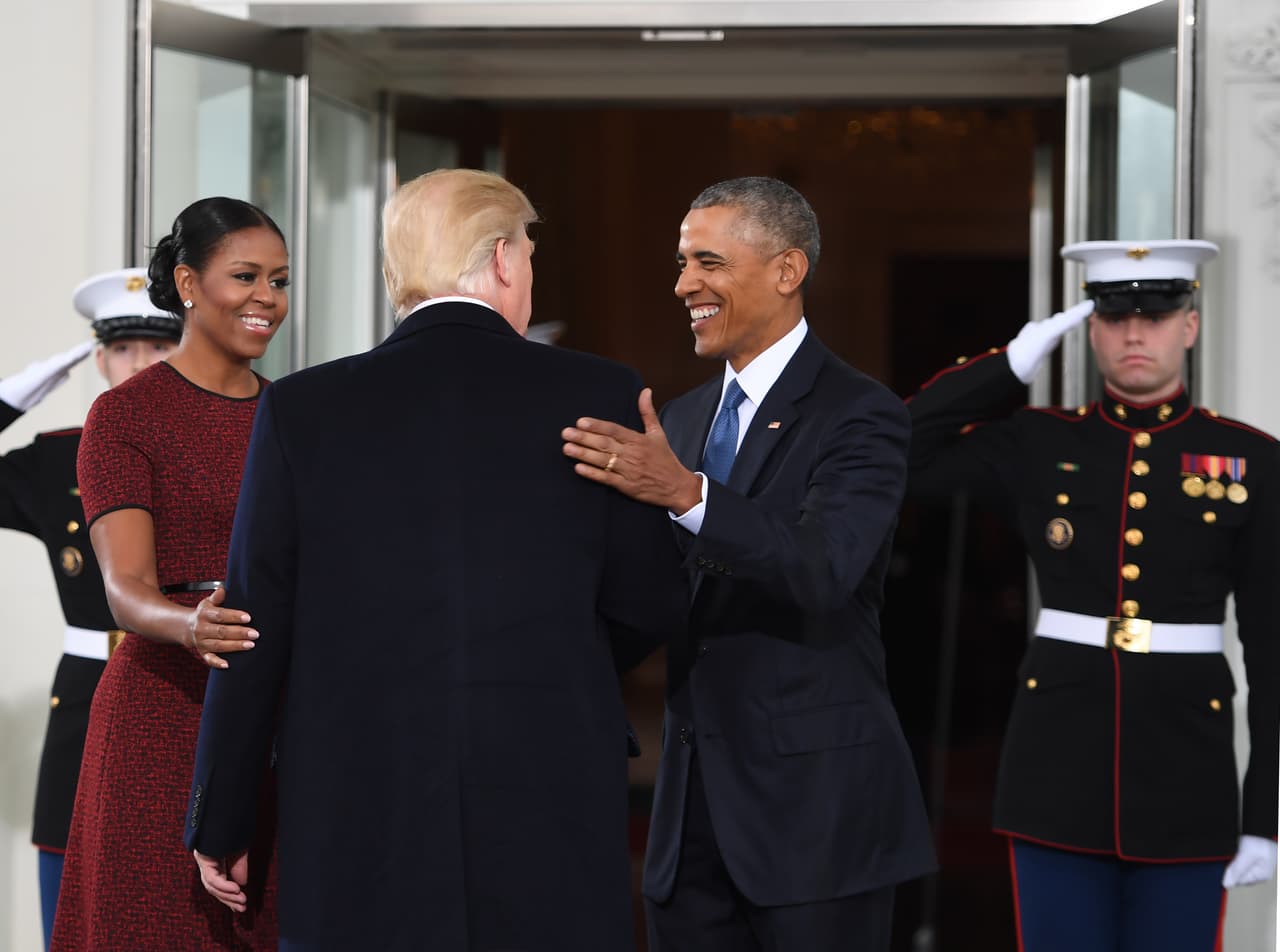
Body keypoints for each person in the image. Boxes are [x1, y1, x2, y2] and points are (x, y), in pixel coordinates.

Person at [183, 168, 688, 952]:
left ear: (398, 273)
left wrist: (224, 811)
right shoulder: (601, 392)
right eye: (527, 250)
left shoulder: (302, 407)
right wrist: (552, 659)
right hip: (545, 766)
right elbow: (650, 600)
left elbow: (253, 621)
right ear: (502, 260)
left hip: (356, 774)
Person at [561, 176, 935, 952]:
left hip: (816, 826)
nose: (683, 284)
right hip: (688, 829)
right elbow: (644, 596)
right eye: (680, 262)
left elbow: (824, 569)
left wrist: (687, 493)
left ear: (787, 271)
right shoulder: (681, 417)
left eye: (708, 262)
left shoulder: (860, 413)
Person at [905, 239, 1278, 951]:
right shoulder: (1038, 441)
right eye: (1114, 317)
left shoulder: (1252, 460)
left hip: (1188, 779)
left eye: (1159, 315)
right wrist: (1007, 366)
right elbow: (893, 452)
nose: (1136, 333)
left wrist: (1261, 815)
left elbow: (1271, 650)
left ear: (1190, 326)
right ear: (1092, 327)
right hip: (1054, 775)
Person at [50, 197, 289, 951]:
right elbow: (124, 590)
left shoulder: (300, 416)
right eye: (245, 276)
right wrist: (190, 624)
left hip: (278, 718)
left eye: (280, 281)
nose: (268, 299)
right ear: (187, 282)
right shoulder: (126, 416)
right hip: (161, 718)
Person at [0, 268, 182, 949]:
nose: (141, 365)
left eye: (160, 348)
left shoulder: (223, 446)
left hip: (187, 687)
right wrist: (13, 396)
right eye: (125, 348)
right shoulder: (55, 462)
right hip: (83, 699)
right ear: (99, 358)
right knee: (70, 902)